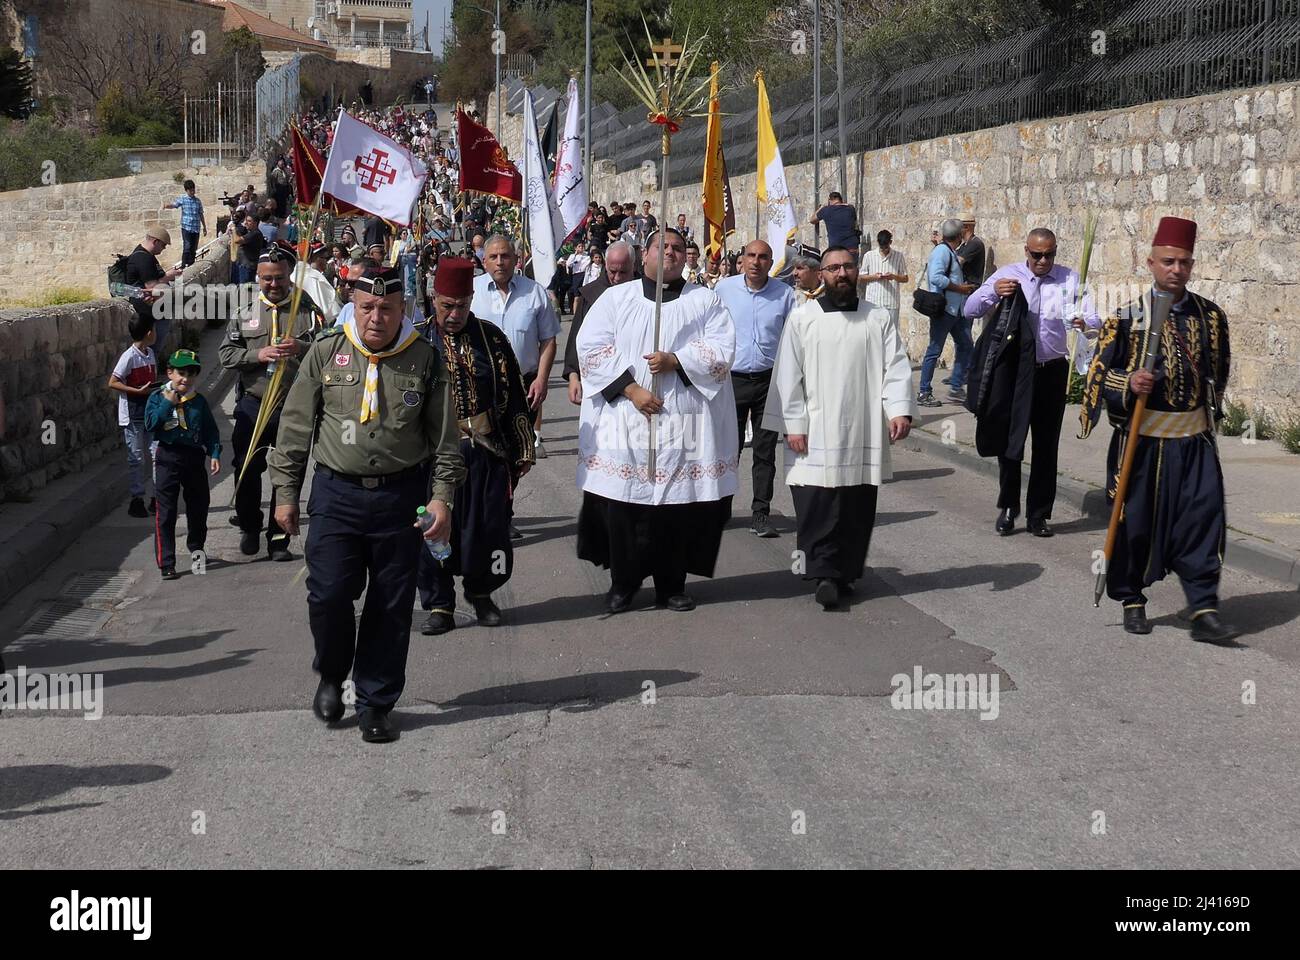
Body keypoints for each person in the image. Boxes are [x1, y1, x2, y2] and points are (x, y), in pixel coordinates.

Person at [268, 264, 466, 743]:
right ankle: (333, 674)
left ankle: (376, 701)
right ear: (352, 308)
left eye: (387, 308)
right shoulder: (325, 353)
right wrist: (286, 493)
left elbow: (444, 440)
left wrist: (442, 499)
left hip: (401, 496)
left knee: (391, 603)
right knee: (330, 593)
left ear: (404, 310)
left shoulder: (424, 359)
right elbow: (295, 428)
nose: (376, 317)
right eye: (367, 307)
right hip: (337, 494)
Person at [1079, 216, 1238, 645]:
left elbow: (1217, 373)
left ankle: (1203, 607)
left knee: (1204, 518)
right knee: (1135, 523)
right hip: (1143, 441)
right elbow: (1095, 376)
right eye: (1168, 261)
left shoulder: (1211, 317)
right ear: (1149, 262)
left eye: (1184, 262)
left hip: (1195, 441)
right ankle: (1132, 598)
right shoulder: (1126, 319)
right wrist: (1127, 383)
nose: (1177, 270)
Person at [575, 227, 738, 612]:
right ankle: (623, 583)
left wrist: (677, 360)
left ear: (686, 256)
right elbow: (591, 347)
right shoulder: (616, 299)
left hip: (684, 422)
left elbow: (722, 349)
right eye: (661, 247)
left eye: (678, 248)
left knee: (677, 510)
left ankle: (671, 585)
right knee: (626, 508)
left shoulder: (705, 301)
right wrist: (632, 390)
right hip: (626, 420)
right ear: (643, 255)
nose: (670, 253)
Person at [764, 247, 915, 609]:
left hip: (862, 427)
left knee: (855, 505)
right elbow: (789, 375)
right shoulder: (803, 319)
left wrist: (899, 410)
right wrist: (793, 424)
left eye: (847, 267)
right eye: (833, 268)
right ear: (822, 275)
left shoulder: (877, 318)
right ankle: (824, 575)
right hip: (815, 430)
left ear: (857, 272)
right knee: (817, 504)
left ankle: (846, 572)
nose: (841, 273)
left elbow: (896, 366)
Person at [417, 258, 536, 635]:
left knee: (488, 529)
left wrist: (522, 448)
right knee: (433, 528)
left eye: (462, 305)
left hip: (485, 451)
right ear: (434, 299)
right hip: (432, 458)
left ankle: (482, 592)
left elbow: (515, 394)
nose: (454, 314)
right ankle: (439, 603)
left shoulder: (492, 338)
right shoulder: (416, 342)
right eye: (446, 305)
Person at [965, 227, 1099, 537]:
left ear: (1055, 252)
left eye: (1048, 255)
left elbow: (1094, 321)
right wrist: (993, 291)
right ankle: (1009, 507)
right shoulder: (1010, 275)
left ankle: (1039, 514)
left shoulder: (1069, 279)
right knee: (1011, 442)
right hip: (1014, 370)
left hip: (1051, 370)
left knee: (1046, 445)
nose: (1042, 260)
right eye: (1036, 254)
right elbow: (970, 309)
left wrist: (1083, 322)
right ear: (1026, 251)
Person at [218, 245, 322, 561]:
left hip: (293, 406)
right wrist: (256, 355)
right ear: (257, 278)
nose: (273, 285)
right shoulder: (245, 311)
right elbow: (225, 355)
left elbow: (328, 349)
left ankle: (278, 541)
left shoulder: (306, 310)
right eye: (267, 279)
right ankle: (249, 525)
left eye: (278, 278)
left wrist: (302, 347)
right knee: (246, 468)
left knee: (287, 473)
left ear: (288, 276)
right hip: (254, 402)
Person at [714, 239, 796, 539]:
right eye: (751, 255)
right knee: (727, 449)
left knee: (764, 453)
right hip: (731, 381)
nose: (756, 262)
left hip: (768, 382)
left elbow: (792, 338)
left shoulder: (785, 294)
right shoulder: (724, 290)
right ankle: (721, 508)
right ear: (742, 259)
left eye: (763, 257)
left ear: (770, 261)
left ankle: (760, 513)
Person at [470, 235, 560, 467]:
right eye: (494, 257)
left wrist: (542, 379)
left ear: (516, 260)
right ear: (484, 262)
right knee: (483, 456)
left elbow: (548, 339)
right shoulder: (472, 291)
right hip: (482, 386)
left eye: (505, 256)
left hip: (522, 386)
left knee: (519, 457)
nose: (500, 262)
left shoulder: (534, 292)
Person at [144, 349, 221, 581]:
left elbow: (210, 431)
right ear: (170, 373)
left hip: (193, 458)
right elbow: (150, 425)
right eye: (180, 373)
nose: (185, 379)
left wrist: (214, 452)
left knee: (198, 508)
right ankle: (167, 563)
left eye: (191, 374)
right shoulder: (158, 397)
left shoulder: (198, 402)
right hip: (167, 457)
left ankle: (197, 550)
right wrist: (168, 404)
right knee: (166, 512)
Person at [565, 241, 636, 404]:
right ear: (605, 264)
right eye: (612, 271)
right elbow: (577, 337)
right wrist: (573, 376)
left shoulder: (643, 292)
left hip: (635, 377)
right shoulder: (591, 295)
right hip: (597, 380)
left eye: (623, 272)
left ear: (633, 266)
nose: (617, 278)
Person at [917, 218, 976, 407]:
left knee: (966, 345)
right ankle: (924, 392)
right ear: (959, 236)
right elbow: (936, 278)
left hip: (955, 310)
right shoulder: (942, 252)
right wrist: (959, 288)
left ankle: (956, 387)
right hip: (944, 310)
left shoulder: (947, 251)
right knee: (934, 350)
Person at [109, 314, 158, 518]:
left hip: (150, 413)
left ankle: (157, 497)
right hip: (132, 414)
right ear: (148, 333)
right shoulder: (128, 356)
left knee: (156, 455)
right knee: (136, 458)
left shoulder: (150, 353)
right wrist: (137, 391)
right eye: (153, 329)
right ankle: (136, 499)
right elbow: (113, 382)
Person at [125, 226, 182, 361]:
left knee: (152, 352)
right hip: (151, 313)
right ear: (155, 242)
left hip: (157, 312)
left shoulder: (148, 256)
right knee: (150, 352)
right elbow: (153, 287)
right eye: (163, 245)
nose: (164, 249)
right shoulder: (142, 258)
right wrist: (169, 276)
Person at [860, 230, 908, 328]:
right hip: (873, 303)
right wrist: (874, 277)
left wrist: (893, 276)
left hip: (891, 303)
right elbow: (861, 278)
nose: (883, 249)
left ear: (890, 243)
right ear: (878, 243)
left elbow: (905, 278)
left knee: (891, 336)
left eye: (886, 247)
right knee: (873, 335)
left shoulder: (898, 256)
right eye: (881, 247)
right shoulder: (869, 256)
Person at [171, 180, 207, 268]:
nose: (192, 192)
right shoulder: (183, 199)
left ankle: (191, 265)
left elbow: (201, 214)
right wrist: (167, 206)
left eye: (193, 190)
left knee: (193, 248)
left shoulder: (198, 201)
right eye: (190, 190)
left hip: (196, 228)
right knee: (187, 246)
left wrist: (204, 227)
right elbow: (175, 205)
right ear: (186, 190)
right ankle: (183, 265)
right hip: (186, 227)